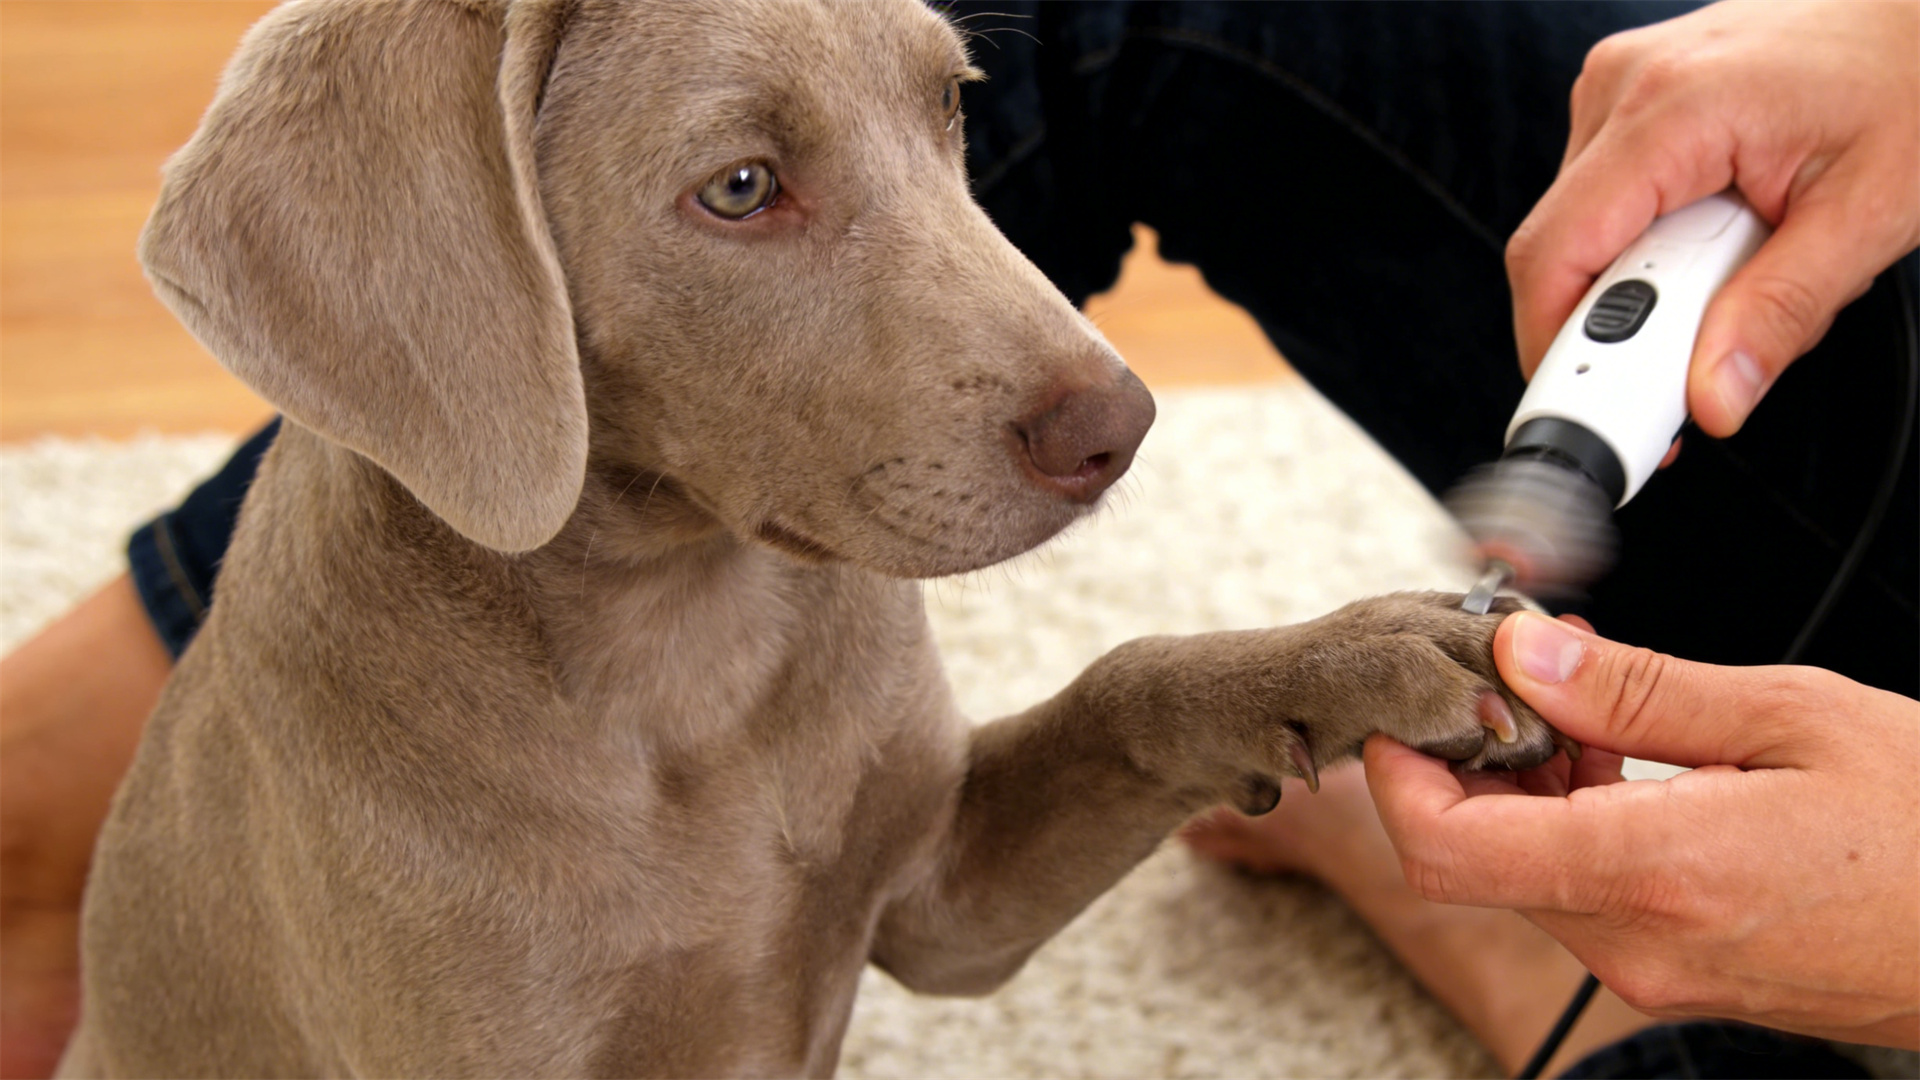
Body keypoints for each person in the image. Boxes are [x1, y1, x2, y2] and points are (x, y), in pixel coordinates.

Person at [3, 1, 1914, 1077]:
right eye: (745, 187)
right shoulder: (421, 853)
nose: (1075, 380)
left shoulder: (813, 610)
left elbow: (939, 907)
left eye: (949, 113)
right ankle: (28, 822)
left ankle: (1506, 947)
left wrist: (1190, 705)